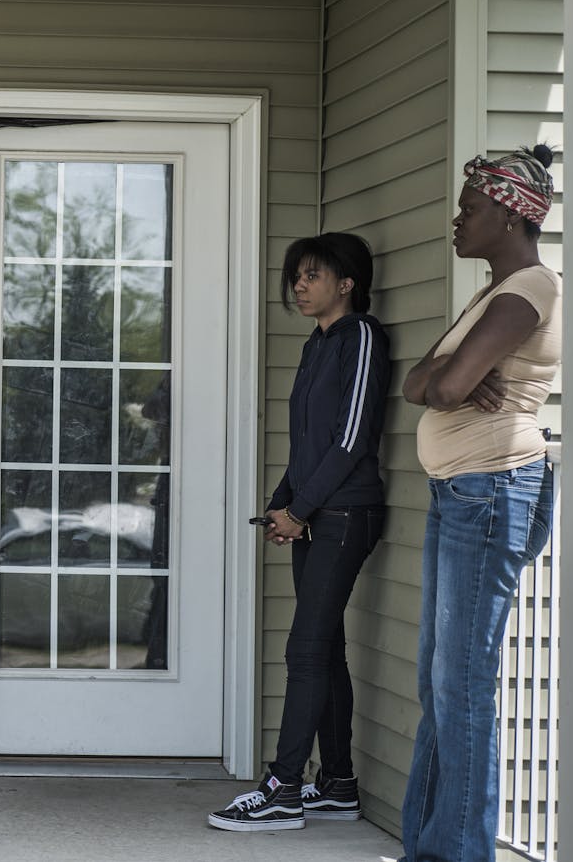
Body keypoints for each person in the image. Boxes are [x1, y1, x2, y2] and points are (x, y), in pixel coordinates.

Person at [399, 146, 560, 862]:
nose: (455, 219)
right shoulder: (491, 294)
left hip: (493, 491)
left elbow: (446, 388)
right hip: (461, 492)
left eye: (468, 207)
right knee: (439, 682)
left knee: (460, 684)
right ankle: (430, 846)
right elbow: (418, 384)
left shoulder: (530, 289)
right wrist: (450, 375)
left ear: (507, 211)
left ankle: (459, 854)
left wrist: (451, 378)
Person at [207, 232, 390, 832]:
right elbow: (308, 444)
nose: (300, 285)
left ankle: (283, 790)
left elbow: (352, 438)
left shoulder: (360, 337)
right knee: (325, 647)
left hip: (345, 515)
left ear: (347, 283)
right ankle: (336, 783)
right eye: (297, 276)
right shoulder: (315, 346)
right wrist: (281, 505)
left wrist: (303, 509)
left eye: (313, 275)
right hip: (316, 514)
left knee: (305, 650)